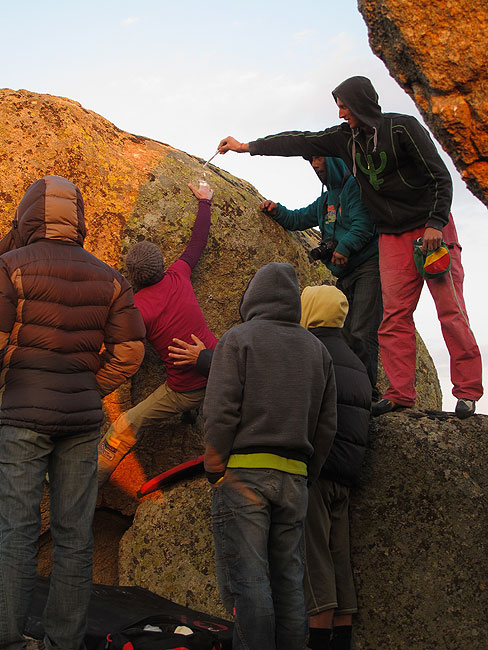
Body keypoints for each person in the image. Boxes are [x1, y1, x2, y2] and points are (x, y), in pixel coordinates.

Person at [217, 75, 483, 418]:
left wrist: (435, 223)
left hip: (431, 228)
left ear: (360, 103)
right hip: (391, 234)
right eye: (338, 107)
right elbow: (300, 141)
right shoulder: (346, 140)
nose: (341, 114)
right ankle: (400, 393)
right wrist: (246, 147)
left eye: (344, 105)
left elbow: (439, 177)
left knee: (450, 311)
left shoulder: (402, 129)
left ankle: (467, 391)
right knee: (394, 317)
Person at [0, 175, 146, 650]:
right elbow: (129, 353)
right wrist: (88, 385)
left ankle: (8, 638)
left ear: (28, 214)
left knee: (15, 531)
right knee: (74, 536)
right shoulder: (111, 278)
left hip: (20, 417)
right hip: (82, 422)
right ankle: (63, 643)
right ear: (78, 218)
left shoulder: (10, 268)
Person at [203, 262, 337, 650]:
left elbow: (220, 411)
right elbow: (327, 424)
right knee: (289, 581)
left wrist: (215, 466)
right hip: (295, 478)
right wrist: (306, 474)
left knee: (249, 580)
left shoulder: (238, 339)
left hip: (244, 474)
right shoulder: (318, 350)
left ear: (253, 297)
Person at [97, 181, 218, 486]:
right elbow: (197, 242)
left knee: (126, 424)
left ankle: (88, 481)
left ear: (132, 277)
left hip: (184, 389)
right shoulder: (179, 274)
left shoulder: (137, 310)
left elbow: (113, 340)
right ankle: (194, 415)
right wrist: (204, 201)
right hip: (220, 371)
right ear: (162, 264)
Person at [260, 155, 381, 399]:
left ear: (334, 160)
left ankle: (367, 393)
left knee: (361, 331)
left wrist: (344, 247)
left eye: (318, 158)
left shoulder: (356, 189)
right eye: (311, 161)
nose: (315, 165)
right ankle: (350, 391)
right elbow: (298, 218)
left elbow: (364, 225)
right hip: (345, 274)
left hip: (369, 268)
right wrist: (277, 211)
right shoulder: (325, 200)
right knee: (345, 333)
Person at [300, 285, 371, 650]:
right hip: (347, 475)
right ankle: (342, 636)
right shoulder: (356, 361)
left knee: (313, 558)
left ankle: (318, 639)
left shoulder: (312, 350)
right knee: (338, 555)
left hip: (318, 470)